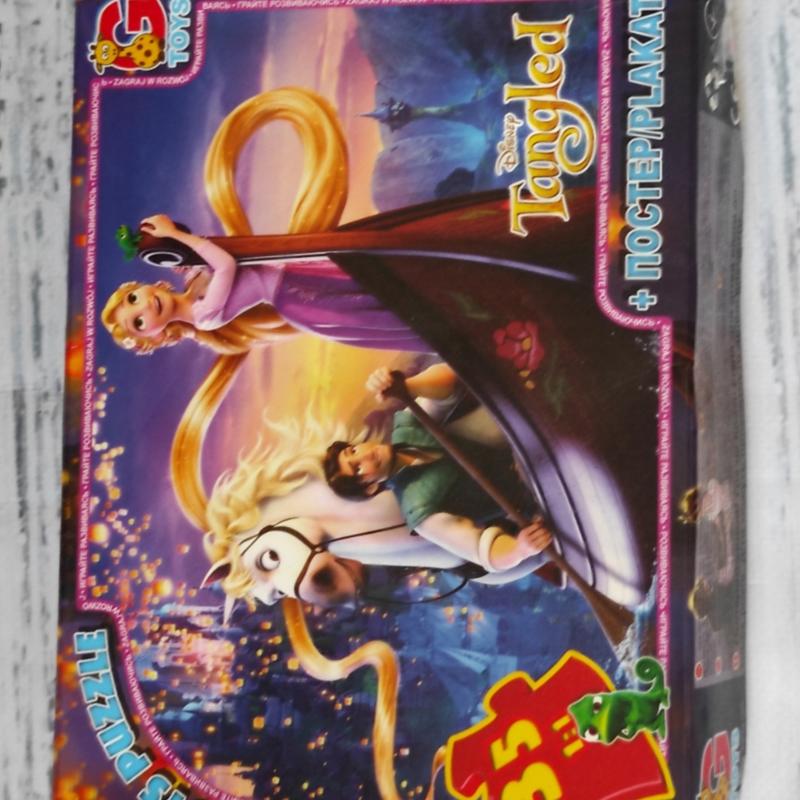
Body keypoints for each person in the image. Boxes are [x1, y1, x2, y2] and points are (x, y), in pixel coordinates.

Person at [323, 363, 552, 574]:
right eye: (357, 469)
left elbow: (449, 382)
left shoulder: (408, 426)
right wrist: (520, 549)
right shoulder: (419, 509)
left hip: (532, 438)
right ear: (370, 488)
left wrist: (407, 385)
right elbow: (484, 551)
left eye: (353, 451)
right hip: (542, 497)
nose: (364, 455)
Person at [102, 214, 431, 355]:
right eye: (138, 322)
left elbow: (183, 247)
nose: (144, 307)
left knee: (373, 266)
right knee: (374, 299)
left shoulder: (189, 277)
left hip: (296, 270)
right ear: (155, 335)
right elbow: (225, 264)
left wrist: (159, 235)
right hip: (297, 296)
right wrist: (175, 235)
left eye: (133, 299)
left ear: (142, 286)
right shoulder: (203, 317)